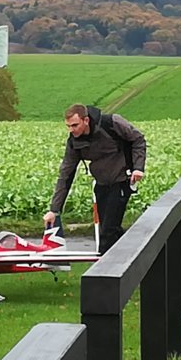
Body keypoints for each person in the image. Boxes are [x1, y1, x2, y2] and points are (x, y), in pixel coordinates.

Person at [43, 103, 146, 254]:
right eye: (68, 126)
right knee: (111, 231)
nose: (71, 130)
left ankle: (102, 271)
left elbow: (138, 140)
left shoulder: (111, 123)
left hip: (122, 180)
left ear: (86, 121)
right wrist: (54, 210)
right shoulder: (74, 142)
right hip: (101, 184)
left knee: (108, 232)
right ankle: (137, 255)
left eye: (74, 125)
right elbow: (65, 175)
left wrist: (138, 168)